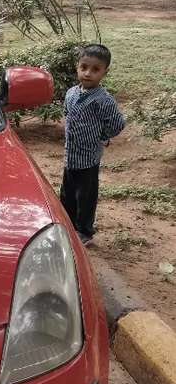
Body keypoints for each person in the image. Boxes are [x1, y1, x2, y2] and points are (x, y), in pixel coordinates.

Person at [60, 43, 125, 246]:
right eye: (84, 67)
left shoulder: (103, 100)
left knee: (86, 197)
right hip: (70, 156)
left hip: (88, 158)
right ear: (77, 66)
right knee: (67, 193)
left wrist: (102, 136)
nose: (88, 73)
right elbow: (66, 113)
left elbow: (117, 124)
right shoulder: (71, 93)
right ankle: (67, 226)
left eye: (95, 69)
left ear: (105, 72)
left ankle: (85, 232)